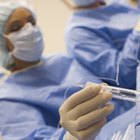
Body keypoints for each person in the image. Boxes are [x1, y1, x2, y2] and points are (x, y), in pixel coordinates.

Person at [0, 0, 114, 139]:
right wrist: (69, 137)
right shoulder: (9, 97)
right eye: (16, 27)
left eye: (31, 21)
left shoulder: (61, 59)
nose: (29, 29)